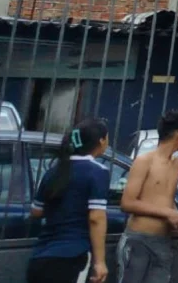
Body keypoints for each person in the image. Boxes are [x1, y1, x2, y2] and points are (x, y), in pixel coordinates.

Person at [27, 118, 111, 283]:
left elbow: (36, 211)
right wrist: (100, 262)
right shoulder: (98, 171)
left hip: (40, 256)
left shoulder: (53, 171)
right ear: (101, 141)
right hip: (72, 256)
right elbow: (96, 218)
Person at [117, 110, 178, 283]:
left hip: (163, 242)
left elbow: (167, 198)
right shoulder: (144, 161)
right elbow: (127, 203)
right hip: (139, 239)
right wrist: (168, 213)